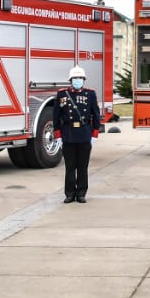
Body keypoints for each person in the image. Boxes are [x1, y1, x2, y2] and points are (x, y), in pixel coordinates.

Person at [54, 65, 101, 203]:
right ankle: (69, 193)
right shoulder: (62, 94)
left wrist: (94, 135)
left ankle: (81, 193)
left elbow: (96, 115)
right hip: (68, 134)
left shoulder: (90, 94)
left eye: (80, 78)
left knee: (82, 166)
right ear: (70, 80)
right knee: (70, 167)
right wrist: (58, 136)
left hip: (84, 134)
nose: (78, 80)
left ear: (84, 79)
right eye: (75, 78)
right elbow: (56, 116)